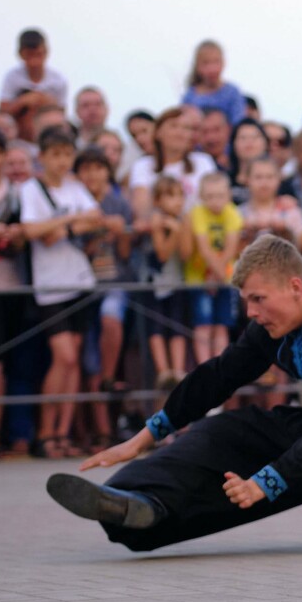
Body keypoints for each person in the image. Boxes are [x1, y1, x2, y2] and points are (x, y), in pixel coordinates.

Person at [48, 234, 302, 554]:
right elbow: (218, 376)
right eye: (246, 301)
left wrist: (267, 481)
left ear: (296, 287)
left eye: (258, 299)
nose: (251, 312)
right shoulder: (270, 326)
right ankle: (142, 503)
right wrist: (141, 439)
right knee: (226, 433)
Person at [19, 127, 104, 459]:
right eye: (54, 154)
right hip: (50, 284)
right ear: (42, 157)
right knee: (63, 357)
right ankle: (45, 432)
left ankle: (62, 434)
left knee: (75, 361)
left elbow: (95, 216)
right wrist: (70, 222)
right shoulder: (31, 189)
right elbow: (31, 230)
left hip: (79, 280)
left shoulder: (75, 186)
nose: (61, 160)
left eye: (66, 154)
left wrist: (61, 226)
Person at [74, 148, 133, 448]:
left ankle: (110, 378)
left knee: (112, 318)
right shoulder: (73, 202)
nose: (93, 175)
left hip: (114, 283)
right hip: (82, 286)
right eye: (86, 169)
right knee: (88, 361)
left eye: (99, 168)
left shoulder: (119, 202)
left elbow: (126, 254)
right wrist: (99, 232)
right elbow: (74, 251)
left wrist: (120, 233)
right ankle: (102, 433)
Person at [183, 171, 243, 365]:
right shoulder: (197, 214)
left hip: (224, 279)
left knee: (221, 325)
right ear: (201, 197)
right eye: (209, 196)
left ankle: (220, 366)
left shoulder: (232, 213)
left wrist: (217, 278)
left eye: (220, 196)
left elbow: (231, 249)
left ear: (228, 196)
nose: (215, 201)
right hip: (199, 279)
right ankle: (204, 367)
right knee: (203, 325)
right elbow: (205, 248)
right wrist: (212, 277)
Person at [128, 107, 219, 221]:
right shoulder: (143, 165)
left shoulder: (204, 161)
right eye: (174, 126)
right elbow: (142, 214)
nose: (180, 133)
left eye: (186, 128)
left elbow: (216, 202)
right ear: (157, 132)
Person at [143, 176, 189, 390]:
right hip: (155, 284)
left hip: (177, 281)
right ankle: (163, 371)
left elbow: (187, 253)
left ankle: (178, 371)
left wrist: (182, 229)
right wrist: (177, 232)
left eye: (180, 195)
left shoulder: (183, 220)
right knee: (157, 328)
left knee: (177, 326)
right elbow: (162, 253)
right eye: (171, 196)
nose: (177, 201)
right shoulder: (156, 220)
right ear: (157, 200)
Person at [0, 29, 68, 142]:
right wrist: (23, 102)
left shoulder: (58, 80)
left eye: (38, 54)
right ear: (21, 54)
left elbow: (62, 114)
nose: (34, 62)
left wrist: (47, 102)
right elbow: (2, 112)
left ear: (46, 52)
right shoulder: (12, 77)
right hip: (19, 136)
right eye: (29, 56)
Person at [181, 40, 246, 129]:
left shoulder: (232, 92)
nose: (212, 69)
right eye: (206, 63)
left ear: (223, 63)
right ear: (197, 66)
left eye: (216, 62)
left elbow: (238, 124)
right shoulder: (190, 95)